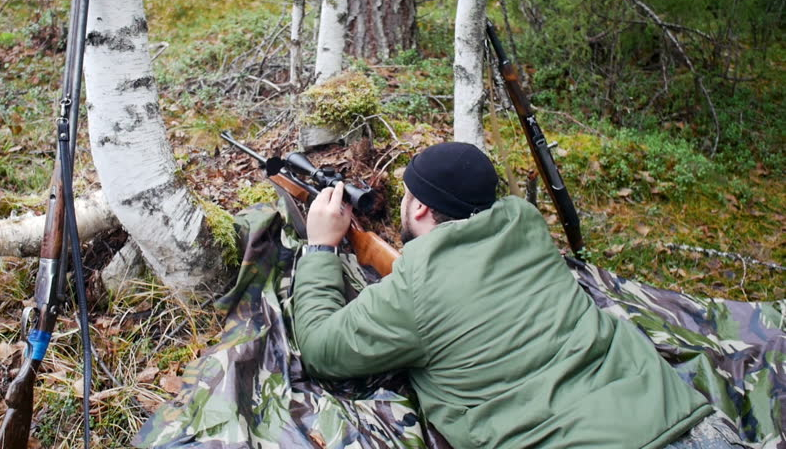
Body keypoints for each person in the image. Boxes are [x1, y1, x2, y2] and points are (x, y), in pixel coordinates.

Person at [292, 142, 742, 448]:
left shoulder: (414, 289)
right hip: (693, 425)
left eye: (407, 195)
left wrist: (320, 246)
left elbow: (319, 349)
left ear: (422, 208)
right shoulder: (527, 229)